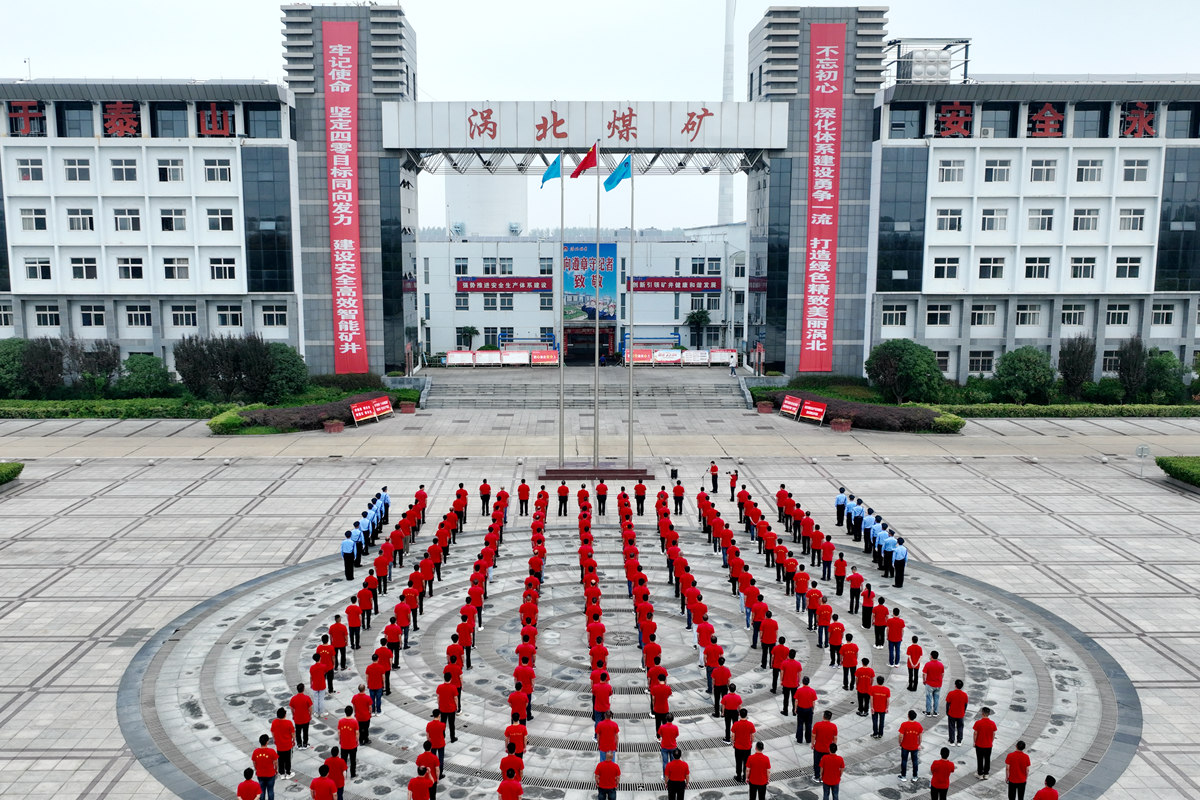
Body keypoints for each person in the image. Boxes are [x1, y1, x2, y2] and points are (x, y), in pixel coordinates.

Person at [811, 710, 837, 783]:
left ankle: (817, 776)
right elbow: (835, 738)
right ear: (830, 718)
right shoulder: (833, 726)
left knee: (817, 763)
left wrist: (812, 743)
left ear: (823, 716)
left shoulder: (817, 725)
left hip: (818, 747)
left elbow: (813, 735)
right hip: (828, 749)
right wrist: (833, 747)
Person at [898, 710, 924, 783]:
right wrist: (919, 744)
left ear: (908, 716)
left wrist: (900, 743)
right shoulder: (918, 725)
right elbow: (920, 736)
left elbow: (900, 736)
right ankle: (915, 776)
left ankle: (903, 776)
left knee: (904, 760)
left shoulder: (904, 724)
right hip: (914, 746)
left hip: (905, 746)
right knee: (915, 761)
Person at [250, 733, 278, 800]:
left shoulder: (256, 752)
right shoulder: (271, 751)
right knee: (270, 790)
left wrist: (256, 769)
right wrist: (276, 770)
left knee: (261, 790)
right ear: (267, 742)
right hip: (270, 774)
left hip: (260, 774)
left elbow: (254, 762)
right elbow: (275, 763)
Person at [730, 708, 755, 781]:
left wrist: (733, 743)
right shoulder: (750, 724)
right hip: (747, 747)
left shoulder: (736, 724)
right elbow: (753, 735)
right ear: (746, 715)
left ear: (739, 715)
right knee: (746, 763)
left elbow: (733, 736)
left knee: (738, 762)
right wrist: (751, 743)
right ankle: (745, 776)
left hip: (738, 747)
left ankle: (738, 776)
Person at [973, 707, 998, 779]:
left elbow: (975, 733)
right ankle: (986, 773)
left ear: (982, 713)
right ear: (989, 714)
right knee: (987, 759)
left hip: (979, 744)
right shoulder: (992, 723)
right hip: (988, 744)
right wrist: (991, 741)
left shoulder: (978, 723)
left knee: (980, 759)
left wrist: (975, 742)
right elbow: (993, 734)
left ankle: (980, 773)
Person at [270, 708, 294, 778]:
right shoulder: (289, 723)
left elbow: (272, 731)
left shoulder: (274, 722)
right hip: (287, 744)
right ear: (285, 715)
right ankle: (288, 772)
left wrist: (274, 739)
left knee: (280, 759)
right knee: (287, 760)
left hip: (279, 745)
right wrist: (293, 740)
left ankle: (282, 773)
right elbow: (292, 733)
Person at [289, 684, 313, 750]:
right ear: (303, 689)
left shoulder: (293, 698)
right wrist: (310, 715)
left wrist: (293, 715)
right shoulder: (307, 698)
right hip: (305, 718)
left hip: (297, 718)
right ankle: (305, 744)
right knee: (305, 732)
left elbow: (291, 708)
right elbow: (310, 708)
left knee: (298, 732)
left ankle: (299, 744)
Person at [945, 679, 969, 745]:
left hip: (952, 713)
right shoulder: (964, 695)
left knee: (951, 727)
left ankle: (952, 741)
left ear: (955, 685)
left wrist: (947, 711)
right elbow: (965, 705)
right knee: (960, 727)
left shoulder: (951, 693)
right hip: (960, 714)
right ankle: (959, 741)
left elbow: (948, 704)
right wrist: (963, 711)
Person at [337, 707, 359, 778]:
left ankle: (344, 774)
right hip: (352, 745)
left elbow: (339, 732)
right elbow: (357, 733)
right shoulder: (354, 722)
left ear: (345, 712)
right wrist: (357, 740)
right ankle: (353, 774)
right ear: (352, 712)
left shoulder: (340, 721)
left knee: (344, 761)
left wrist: (340, 740)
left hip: (344, 745)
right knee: (353, 761)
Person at [923, 651, 945, 716]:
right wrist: (940, 680)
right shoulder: (941, 664)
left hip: (930, 684)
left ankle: (928, 712)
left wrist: (924, 681)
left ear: (931, 656)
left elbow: (924, 674)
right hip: (938, 684)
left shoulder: (928, 664)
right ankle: (935, 712)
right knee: (936, 698)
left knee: (929, 698)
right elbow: (942, 674)